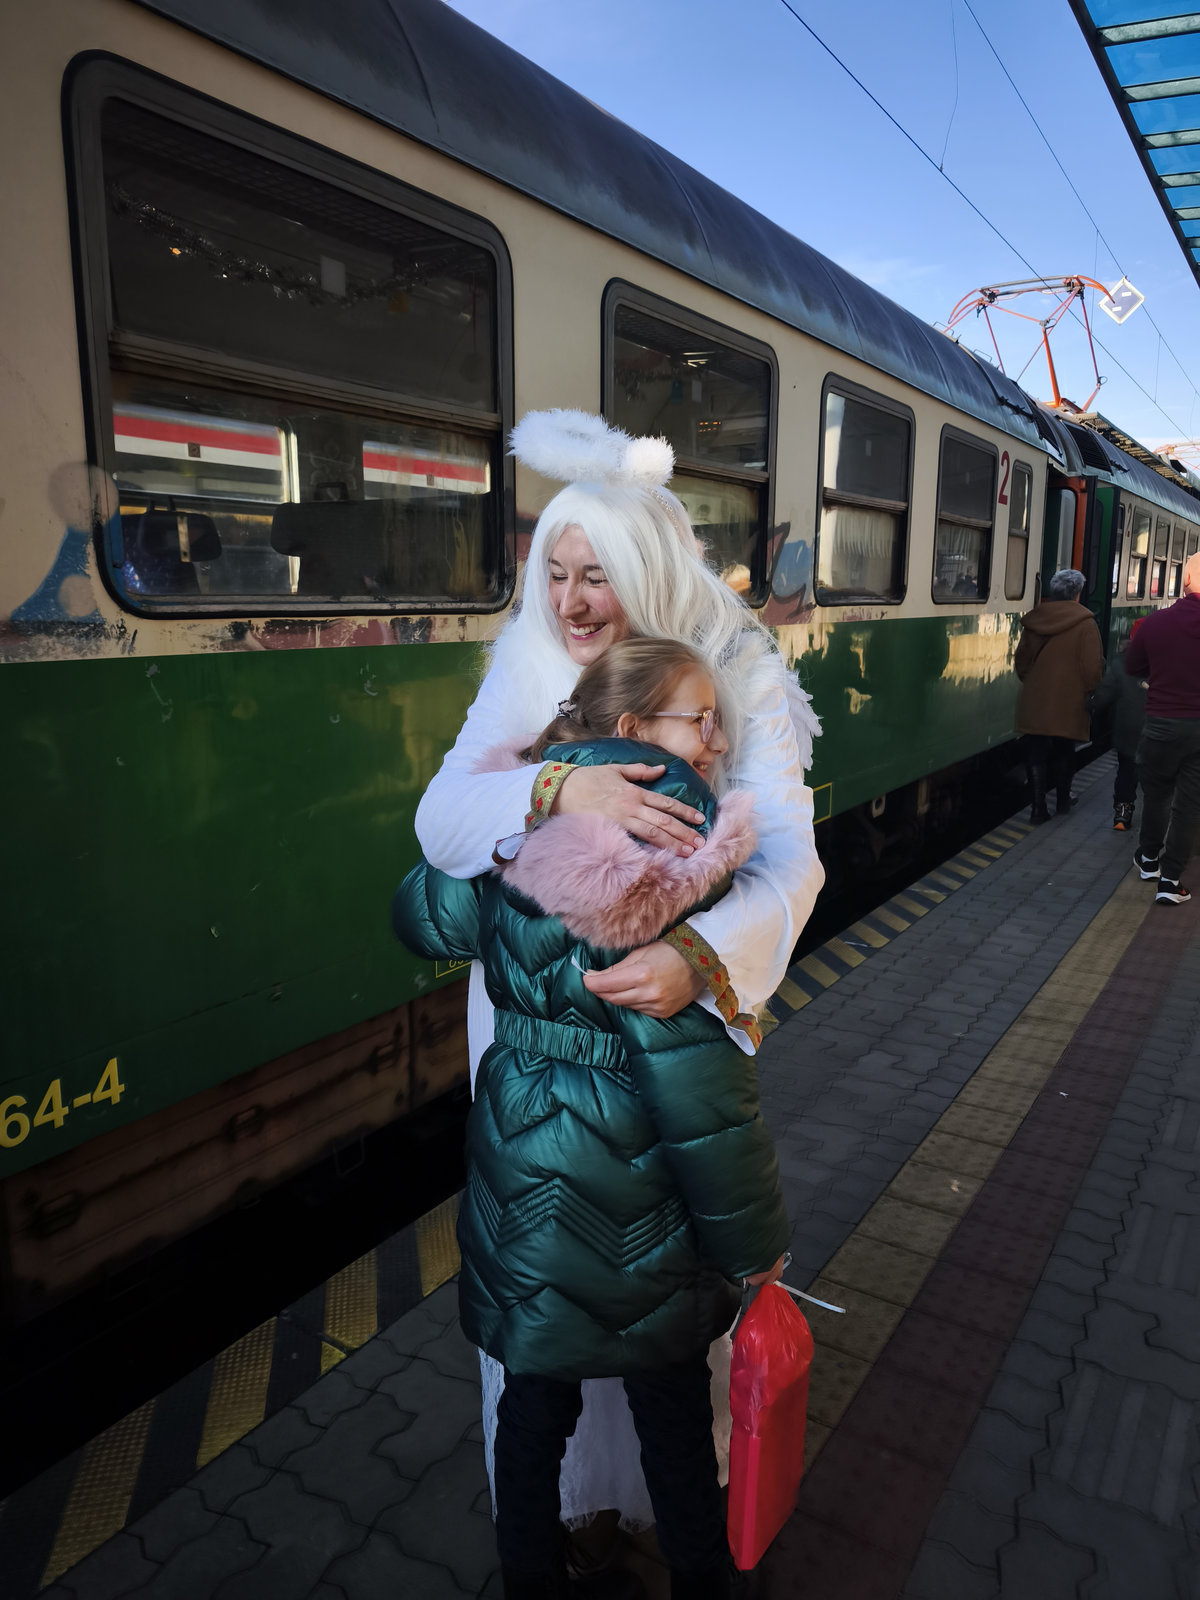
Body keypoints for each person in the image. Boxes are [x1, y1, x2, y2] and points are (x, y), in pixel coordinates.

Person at [413, 410, 823, 1537]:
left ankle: (644, 1516)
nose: (572, 602)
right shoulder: (526, 658)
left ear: (646, 571)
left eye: (597, 576)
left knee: (652, 1316)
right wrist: (555, 788)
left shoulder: (737, 667)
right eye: (555, 573)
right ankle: (572, 1520)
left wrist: (699, 958)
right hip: (533, 1045)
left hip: (664, 1022)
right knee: (558, 1319)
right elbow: (442, 824)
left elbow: (790, 858)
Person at [394, 637, 791, 1600]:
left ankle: (531, 1582)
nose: (717, 741)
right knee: (672, 1419)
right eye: (698, 721)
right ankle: (702, 1584)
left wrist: (521, 794)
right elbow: (703, 1102)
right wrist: (756, 1248)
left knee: (532, 1416)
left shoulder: (520, 825)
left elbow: (423, 916)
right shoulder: (677, 864)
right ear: (634, 730)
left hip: (525, 1179)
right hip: (645, 1212)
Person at [1126, 550, 1200, 905]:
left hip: (1161, 724)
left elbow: (1132, 667)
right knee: (1189, 805)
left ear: (1186, 580)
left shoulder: (1156, 623)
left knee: (1156, 796)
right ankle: (1170, 882)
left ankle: (1148, 860)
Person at [1014, 568, 1104, 823]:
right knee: (1065, 749)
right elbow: (1092, 668)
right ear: (1077, 594)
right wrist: (1091, 691)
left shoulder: (1035, 620)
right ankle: (1063, 802)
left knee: (1036, 752)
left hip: (1035, 697)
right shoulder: (1086, 623)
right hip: (1069, 700)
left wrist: (1034, 683)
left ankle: (1037, 809)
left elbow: (1022, 661)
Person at [1091, 617, 1148, 831]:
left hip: (1128, 729)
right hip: (1157, 728)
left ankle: (1122, 816)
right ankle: (1155, 819)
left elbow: (1104, 695)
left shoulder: (1120, 662)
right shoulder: (1168, 662)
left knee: (1126, 771)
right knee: (1157, 776)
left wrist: (1089, 705)